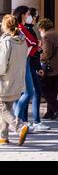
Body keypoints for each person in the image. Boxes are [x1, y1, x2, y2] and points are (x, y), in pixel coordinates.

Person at [0, 15, 29, 145]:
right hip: (17, 80)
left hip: (5, 81)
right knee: (7, 107)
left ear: (5, 25)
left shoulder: (7, 42)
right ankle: (3, 136)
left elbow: (2, 63)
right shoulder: (22, 41)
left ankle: (19, 126)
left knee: (2, 108)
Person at [23, 8, 50, 132]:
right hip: (29, 65)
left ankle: (28, 121)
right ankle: (27, 121)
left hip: (32, 65)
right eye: (30, 15)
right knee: (31, 93)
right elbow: (30, 50)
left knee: (31, 93)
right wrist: (37, 66)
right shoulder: (26, 30)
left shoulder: (29, 30)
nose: (34, 18)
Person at [38, 18, 58, 120]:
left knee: (42, 87)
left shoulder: (47, 36)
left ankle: (57, 106)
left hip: (52, 67)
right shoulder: (57, 34)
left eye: (39, 28)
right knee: (53, 90)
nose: (39, 31)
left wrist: (38, 57)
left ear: (43, 27)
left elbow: (46, 54)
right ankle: (50, 112)